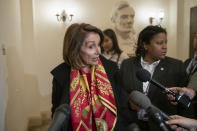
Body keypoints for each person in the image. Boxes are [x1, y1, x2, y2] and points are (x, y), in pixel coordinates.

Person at [50, 23, 125, 131]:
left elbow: (122, 108)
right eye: (91, 46)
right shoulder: (61, 74)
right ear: (75, 48)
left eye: (99, 45)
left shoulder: (112, 69)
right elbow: (57, 115)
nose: (99, 51)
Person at [119, 25, 194, 131]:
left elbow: (185, 102)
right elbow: (120, 93)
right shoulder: (127, 64)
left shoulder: (176, 66)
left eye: (165, 42)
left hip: (164, 126)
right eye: (159, 43)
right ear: (145, 45)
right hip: (133, 125)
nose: (164, 47)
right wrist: (130, 103)